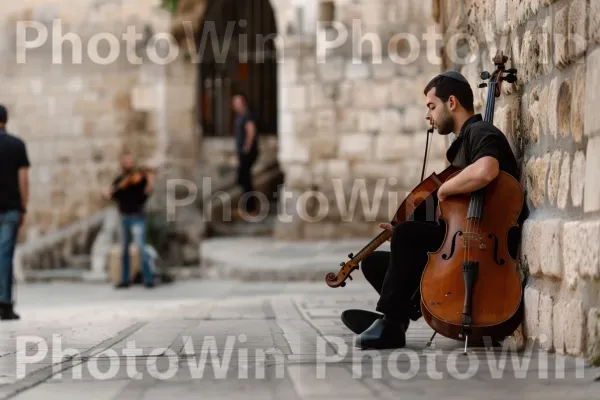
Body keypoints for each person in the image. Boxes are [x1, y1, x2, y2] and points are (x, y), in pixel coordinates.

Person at [343, 71, 525, 350]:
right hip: (466, 238)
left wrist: (443, 190)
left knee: (407, 237)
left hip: (485, 243)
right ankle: (406, 310)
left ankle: (393, 322)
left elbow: (488, 169)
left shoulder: (480, 132)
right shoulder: (463, 144)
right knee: (375, 263)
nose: (429, 115)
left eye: (431, 106)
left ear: (451, 102)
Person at [103, 151, 155, 289]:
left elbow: (144, 197)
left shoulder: (139, 179)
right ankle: (125, 280)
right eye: (126, 162)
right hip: (124, 217)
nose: (128, 164)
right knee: (124, 250)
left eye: (130, 162)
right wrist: (110, 192)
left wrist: (150, 183)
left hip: (137, 217)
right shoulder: (119, 180)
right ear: (122, 164)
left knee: (141, 248)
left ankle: (148, 279)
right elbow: (113, 195)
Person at [0, 105, 29, 320]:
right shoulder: (17, 145)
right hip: (10, 209)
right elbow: (23, 180)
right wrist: (23, 207)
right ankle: (5, 304)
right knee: (5, 256)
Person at [232, 93, 259, 214]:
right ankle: (248, 205)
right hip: (243, 152)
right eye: (234, 103)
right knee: (243, 178)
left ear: (243, 103)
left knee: (244, 178)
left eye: (238, 102)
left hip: (247, 152)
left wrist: (247, 146)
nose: (235, 105)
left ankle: (250, 206)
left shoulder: (247, 115)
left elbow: (251, 130)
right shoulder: (240, 116)